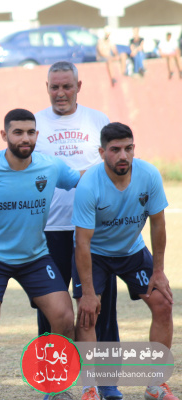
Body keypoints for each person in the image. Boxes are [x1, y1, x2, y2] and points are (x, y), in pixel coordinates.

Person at [0, 109, 80, 400]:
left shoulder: (51, 166)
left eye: (30, 132)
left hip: (35, 256)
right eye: (17, 132)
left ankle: (56, 388)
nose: (25, 138)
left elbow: (81, 180)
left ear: (37, 135)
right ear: (4, 135)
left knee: (65, 317)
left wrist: (118, 168)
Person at [34, 61, 122, 400]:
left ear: (78, 86)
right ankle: (54, 384)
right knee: (50, 311)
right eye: (54, 87)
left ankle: (107, 384)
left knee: (100, 308)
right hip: (48, 230)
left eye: (66, 86)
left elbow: (113, 168)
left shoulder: (98, 120)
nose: (60, 93)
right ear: (47, 88)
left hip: (93, 231)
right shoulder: (35, 125)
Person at [72, 122, 177, 400]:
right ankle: (90, 388)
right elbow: (82, 243)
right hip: (95, 253)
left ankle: (156, 385)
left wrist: (158, 271)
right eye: (115, 150)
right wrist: (88, 293)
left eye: (128, 149)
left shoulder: (149, 175)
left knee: (164, 304)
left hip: (132, 251)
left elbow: (158, 224)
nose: (123, 156)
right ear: (101, 152)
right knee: (87, 315)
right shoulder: (89, 184)